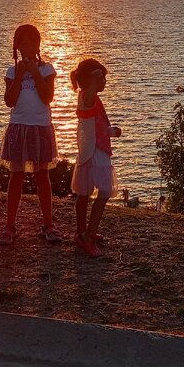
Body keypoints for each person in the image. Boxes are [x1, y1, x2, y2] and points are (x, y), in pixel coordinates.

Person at [0, 24, 62, 245]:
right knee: (16, 176)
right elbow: (9, 101)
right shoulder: (12, 71)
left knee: (42, 176)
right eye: (22, 42)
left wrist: (34, 72)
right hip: (19, 126)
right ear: (16, 46)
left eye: (30, 42)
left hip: (40, 127)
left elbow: (48, 97)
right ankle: (10, 225)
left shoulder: (46, 69)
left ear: (37, 45)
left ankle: (48, 224)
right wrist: (21, 75)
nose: (27, 46)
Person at [69, 58, 121, 257]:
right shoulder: (86, 97)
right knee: (103, 191)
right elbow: (89, 106)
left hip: (94, 149)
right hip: (94, 152)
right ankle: (87, 235)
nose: (105, 82)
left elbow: (96, 125)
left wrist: (111, 131)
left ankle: (82, 232)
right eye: (102, 78)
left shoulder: (93, 99)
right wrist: (93, 81)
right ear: (91, 81)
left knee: (85, 193)